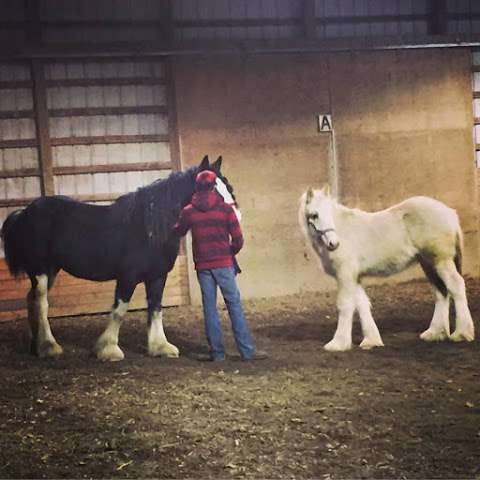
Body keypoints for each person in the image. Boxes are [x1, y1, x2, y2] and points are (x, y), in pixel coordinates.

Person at [173, 170, 267, 362]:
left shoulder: (189, 211)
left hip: (203, 267)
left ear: (197, 187)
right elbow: (239, 239)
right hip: (224, 264)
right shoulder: (225, 210)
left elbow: (179, 231)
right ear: (214, 186)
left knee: (210, 308)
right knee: (234, 306)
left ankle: (217, 353)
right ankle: (247, 351)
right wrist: (230, 251)